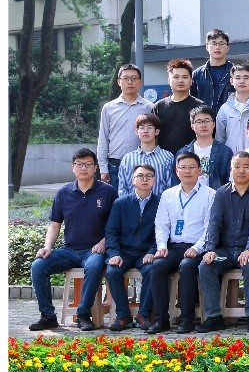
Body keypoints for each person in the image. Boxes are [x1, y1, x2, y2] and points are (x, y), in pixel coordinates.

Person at [28, 149, 119, 332]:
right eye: (79, 164)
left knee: (94, 266)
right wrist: (47, 247)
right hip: (68, 250)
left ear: (95, 167)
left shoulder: (108, 192)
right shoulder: (63, 193)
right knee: (38, 266)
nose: (83, 168)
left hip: (94, 250)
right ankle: (48, 316)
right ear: (73, 167)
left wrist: (103, 243)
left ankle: (83, 315)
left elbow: (116, 225)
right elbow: (55, 225)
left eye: (88, 164)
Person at [196, 151, 249, 333]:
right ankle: (214, 317)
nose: (241, 170)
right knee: (206, 265)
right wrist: (210, 249)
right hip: (226, 252)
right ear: (231, 170)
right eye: (237, 166)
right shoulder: (221, 193)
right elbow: (214, 222)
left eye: (246, 166)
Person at [147, 152, 216, 333]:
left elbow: (211, 227)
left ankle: (187, 319)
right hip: (174, 247)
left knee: (187, 266)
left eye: (192, 167)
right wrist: (162, 246)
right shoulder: (168, 195)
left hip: (198, 248)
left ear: (199, 171)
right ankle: (161, 320)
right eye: (183, 167)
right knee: (158, 266)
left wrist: (197, 248)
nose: (187, 171)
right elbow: (161, 224)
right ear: (177, 171)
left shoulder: (210, 195)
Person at [103, 168, 158, 332]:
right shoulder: (121, 203)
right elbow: (111, 231)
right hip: (124, 251)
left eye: (149, 176)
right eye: (140, 176)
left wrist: (153, 250)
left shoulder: (161, 202)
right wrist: (114, 253)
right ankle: (123, 315)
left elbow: (163, 231)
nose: (144, 179)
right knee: (112, 271)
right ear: (133, 180)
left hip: (146, 252)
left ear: (154, 180)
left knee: (153, 270)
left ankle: (143, 315)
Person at [97, 63, 155, 184]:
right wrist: (103, 168)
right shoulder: (109, 108)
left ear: (140, 82)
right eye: (126, 78)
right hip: (115, 166)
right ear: (119, 81)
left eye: (134, 78)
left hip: (142, 164)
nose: (130, 82)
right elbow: (103, 138)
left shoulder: (149, 107)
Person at [118, 113, 176, 199]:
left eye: (149, 127)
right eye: (142, 127)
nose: (145, 131)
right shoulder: (128, 158)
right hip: (132, 205)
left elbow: (171, 187)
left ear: (157, 131)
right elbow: (122, 187)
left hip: (160, 205)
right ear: (137, 131)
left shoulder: (167, 157)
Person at [154, 59, 205, 154]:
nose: (180, 80)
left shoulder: (200, 107)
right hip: (163, 159)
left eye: (185, 77)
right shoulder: (159, 106)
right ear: (169, 80)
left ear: (191, 81)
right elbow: (153, 136)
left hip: (191, 158)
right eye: (176, 77)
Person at [216, 64, 249, 153]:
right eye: (238, 78)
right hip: (231, 157)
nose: (242, 81)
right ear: (231, 81)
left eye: (246, 78)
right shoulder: (225, 109)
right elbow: (220, 138)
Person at [179, 105, 232, 189]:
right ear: (192, 126)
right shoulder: (183, 152)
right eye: (199, 121)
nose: (203, 125)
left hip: (216, 195)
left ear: (214, 124)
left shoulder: (225, 152)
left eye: (207, 121)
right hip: (189, 195)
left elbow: (229, 182)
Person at [192, 29, 234, 116]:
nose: (217, 47)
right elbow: (192, 101)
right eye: (214, 43)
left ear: (228, 47)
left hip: (229, 120)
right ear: (207, 47)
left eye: (221, 44)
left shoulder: (236, 73)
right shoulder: (197, 74)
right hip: (204, 120)